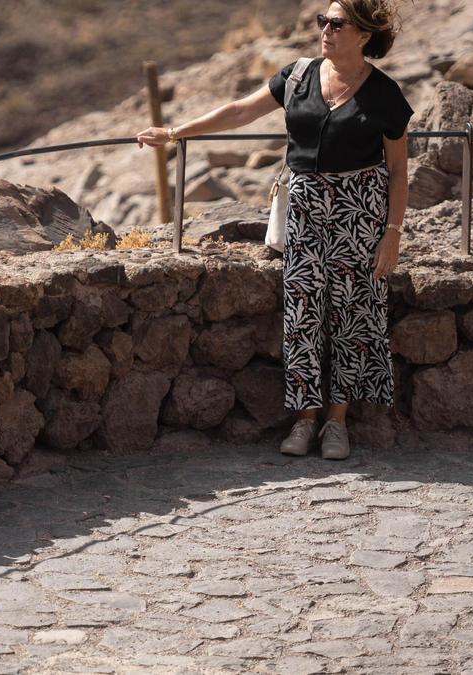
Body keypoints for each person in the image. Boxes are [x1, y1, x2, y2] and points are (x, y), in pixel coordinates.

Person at [137, 0, 412, 460]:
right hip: (304, 209)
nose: (324, 29)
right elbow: (240, 111)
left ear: (363, 35)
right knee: (301, 310)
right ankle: (304, 421)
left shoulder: (384, 94)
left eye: (336, 23)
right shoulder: (298, 75)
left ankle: (337, 424)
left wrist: (393, 232)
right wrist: (175, 132)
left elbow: (399, 168)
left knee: (352, 314)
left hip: (360, 211)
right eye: (321, 20)